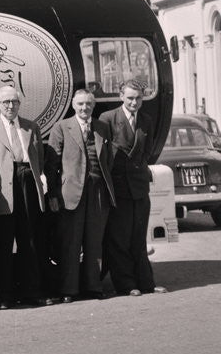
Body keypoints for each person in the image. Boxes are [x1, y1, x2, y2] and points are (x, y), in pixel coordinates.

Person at [0, 84, 54, 309]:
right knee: (4, 244)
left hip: (27, 183)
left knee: (30, 241)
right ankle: (4, 296)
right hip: (3, 191)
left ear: (19, 104)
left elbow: (38, 158)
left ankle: (32, 292)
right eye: (6, 102)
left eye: (14, 102)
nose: (11, 106)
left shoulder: (31, 127)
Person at [44, 88, 115, 302]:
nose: (85, 108)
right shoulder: (61, 127)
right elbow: (51, 165)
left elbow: (108, 160)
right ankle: (69, 290)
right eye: (81, 104)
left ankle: (93, 287)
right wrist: (54, 195)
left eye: (88, 104)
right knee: (70, 243)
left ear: (93, 106)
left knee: (95, 242)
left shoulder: (102, 128)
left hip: (98, 192)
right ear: (74, 106)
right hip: (70, 193)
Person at [100, 80, 166, 297]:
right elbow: (102, 155)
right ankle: (127, 285)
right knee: (119, 239)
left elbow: (147, 151)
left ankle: (146, 283)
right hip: (118, 188)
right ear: (121, 96)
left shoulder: (146, 120)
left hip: (138, 188)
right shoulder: (108, 119)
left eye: (138, 98)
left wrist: (139, 171)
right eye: (130, 98)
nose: (134, 102)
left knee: (139, 238)